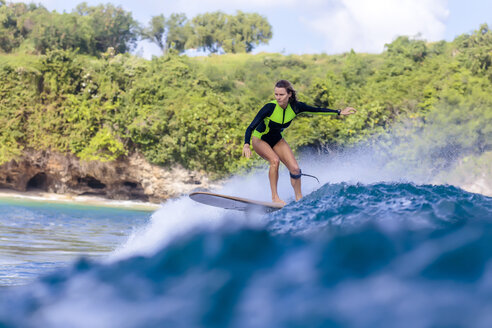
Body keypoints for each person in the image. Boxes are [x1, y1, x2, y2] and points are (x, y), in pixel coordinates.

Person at [242, 79, 357, 205]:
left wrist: (339, 112)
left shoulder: (296, 107)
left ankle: (299, 199)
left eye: (281, 95)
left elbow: (316, 110)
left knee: (295, 169)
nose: (278, 98)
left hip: (277, 140)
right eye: (276, 94)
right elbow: (250, 127)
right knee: (274, 161)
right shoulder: (270, 108)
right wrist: (246, 144)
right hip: (260, 139)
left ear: (289, 94)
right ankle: (275, 198)